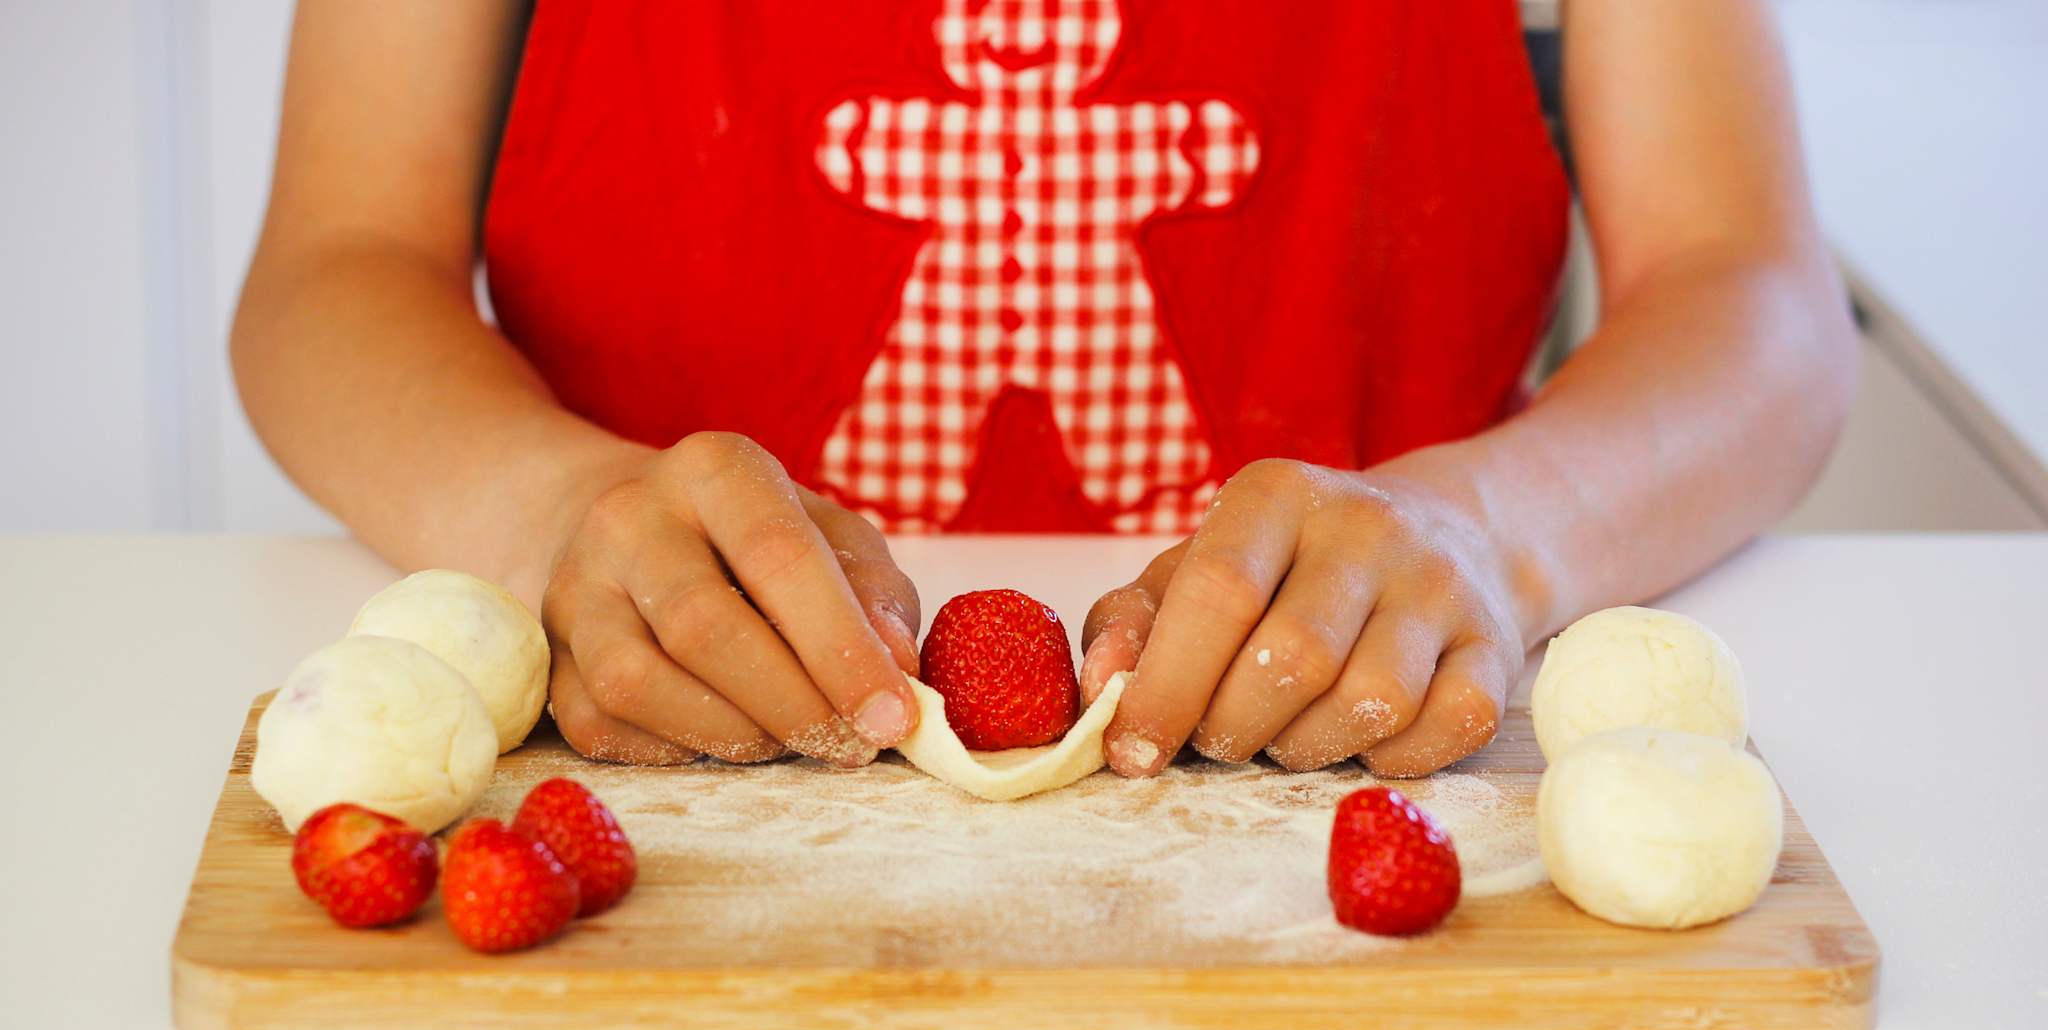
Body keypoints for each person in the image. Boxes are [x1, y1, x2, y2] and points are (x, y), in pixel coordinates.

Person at [232, 0, 1855, 779]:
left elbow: (1750, 298)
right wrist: (552, 509)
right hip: (641, 751)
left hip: (1375, 746)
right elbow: (337, 267)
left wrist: (1496, 530)